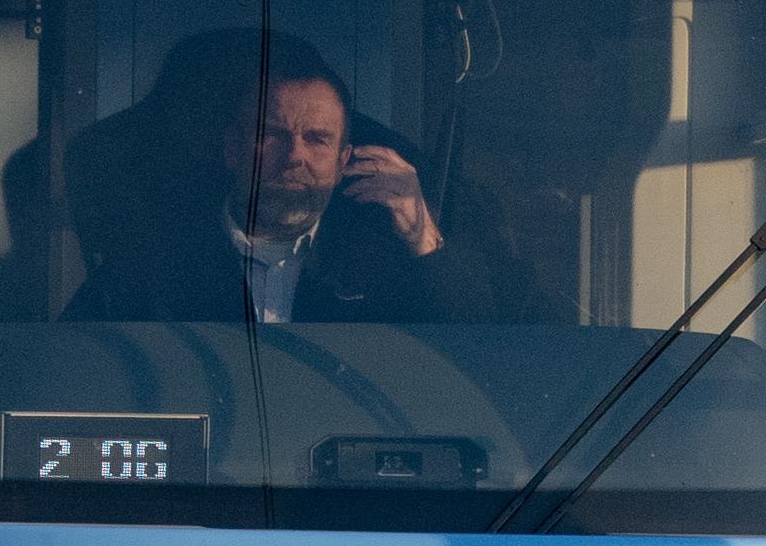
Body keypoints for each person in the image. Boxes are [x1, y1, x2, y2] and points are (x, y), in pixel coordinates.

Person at [61, 28, 507, 327]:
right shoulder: (152, 265)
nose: (295, 156)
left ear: (343, 159)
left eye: (317, 139)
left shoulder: (384, 265)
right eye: (272, 135)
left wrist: (421, 232)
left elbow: (480, 361)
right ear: (232, 148)